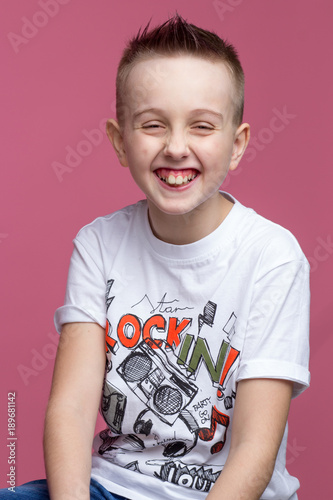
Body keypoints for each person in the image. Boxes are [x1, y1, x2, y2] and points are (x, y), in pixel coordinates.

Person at [0, 14, 310, 500]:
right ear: (121, 141)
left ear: (237, 144)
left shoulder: (272, 257)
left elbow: (254, 448)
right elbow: (72, 409)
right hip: (110, 486)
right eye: (153, 125)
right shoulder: (99, 245)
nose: (176, 147)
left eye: (202, 126)